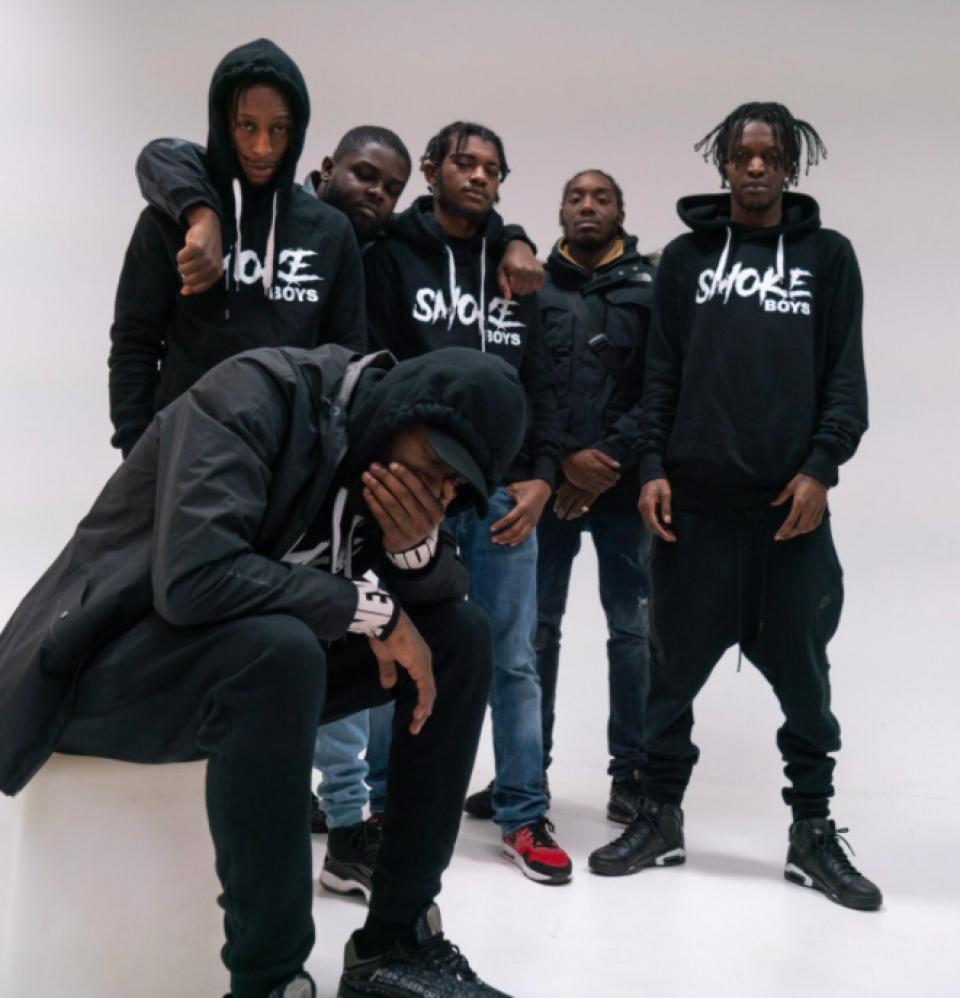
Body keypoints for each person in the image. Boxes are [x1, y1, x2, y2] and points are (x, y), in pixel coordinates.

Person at [0, 343, 527, 998]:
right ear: (403, 408)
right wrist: (368, 609)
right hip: (93, 668)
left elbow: (444, 588)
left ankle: (395, 943)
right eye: (436, 461)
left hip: (242, 675)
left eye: (456, 485)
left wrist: (412, 552)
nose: (436, 490)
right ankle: (267, 979)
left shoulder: (388, 465)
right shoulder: (255, 396)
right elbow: (194, 579)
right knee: (280, 648)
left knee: (460, 636)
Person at [131, 117, 544, 896]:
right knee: (309, 628)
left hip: (335, 440)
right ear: (323, 167)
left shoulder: (366, 250)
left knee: (439, 628)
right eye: (364, 176)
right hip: (224, 442)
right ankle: (289, 897)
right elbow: (164, 163)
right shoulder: (256, 214)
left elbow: (357, 346)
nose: (376, 194)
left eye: (389, 187)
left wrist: (410, 540)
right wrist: (203, 215)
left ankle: (372, 857)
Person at [588, 102, 883, 913]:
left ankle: (812, 833)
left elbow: (845, 379)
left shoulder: (828, 256)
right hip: (693, 518)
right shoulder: (685, 259)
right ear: (722, 163)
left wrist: (821, 468)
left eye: (771, 155)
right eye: (743, 155)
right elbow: (660, 378)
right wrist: (651, 466)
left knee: (808, 689)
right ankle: (659, 816)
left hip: (789, 519)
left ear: (791, 165)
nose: (756, 167)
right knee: (668, 681)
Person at [365, 121, 571, 885]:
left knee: (514, 657)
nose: (479, 176)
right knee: (389, 645)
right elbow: (374, 366)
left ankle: (524, 812)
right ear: (431, 170)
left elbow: (543, 382)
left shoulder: (518, 270)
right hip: (413, 487)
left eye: (492, 168)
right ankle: (382, 807)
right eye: (465, 163)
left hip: (502, 495)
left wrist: (544, 475)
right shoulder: (391, 256)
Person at [108, 38, 366, 459]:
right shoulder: (168, 222)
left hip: (290, 467)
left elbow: (348, 361)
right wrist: (138, 453)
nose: (262, 148)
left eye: (278, 128)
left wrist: (323, 463)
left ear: (297, 130)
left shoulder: (331, 232)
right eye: (247, 126)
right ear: (223, 124)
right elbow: (134, 345)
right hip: (183, 457)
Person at [530, 169, 654, 825]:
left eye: (601, 198)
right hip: (548, 488)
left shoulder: (649, 288)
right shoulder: (532, 285)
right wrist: (564, 462)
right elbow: (524, 382)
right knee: (535, 632)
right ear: (560, 211)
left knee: (632, 632)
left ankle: (631, 776)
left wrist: (605, 460)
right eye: (576, 197)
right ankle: (526, 774)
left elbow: (663, 387)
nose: (587, 206)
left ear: (619, 213)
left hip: (623, 488)